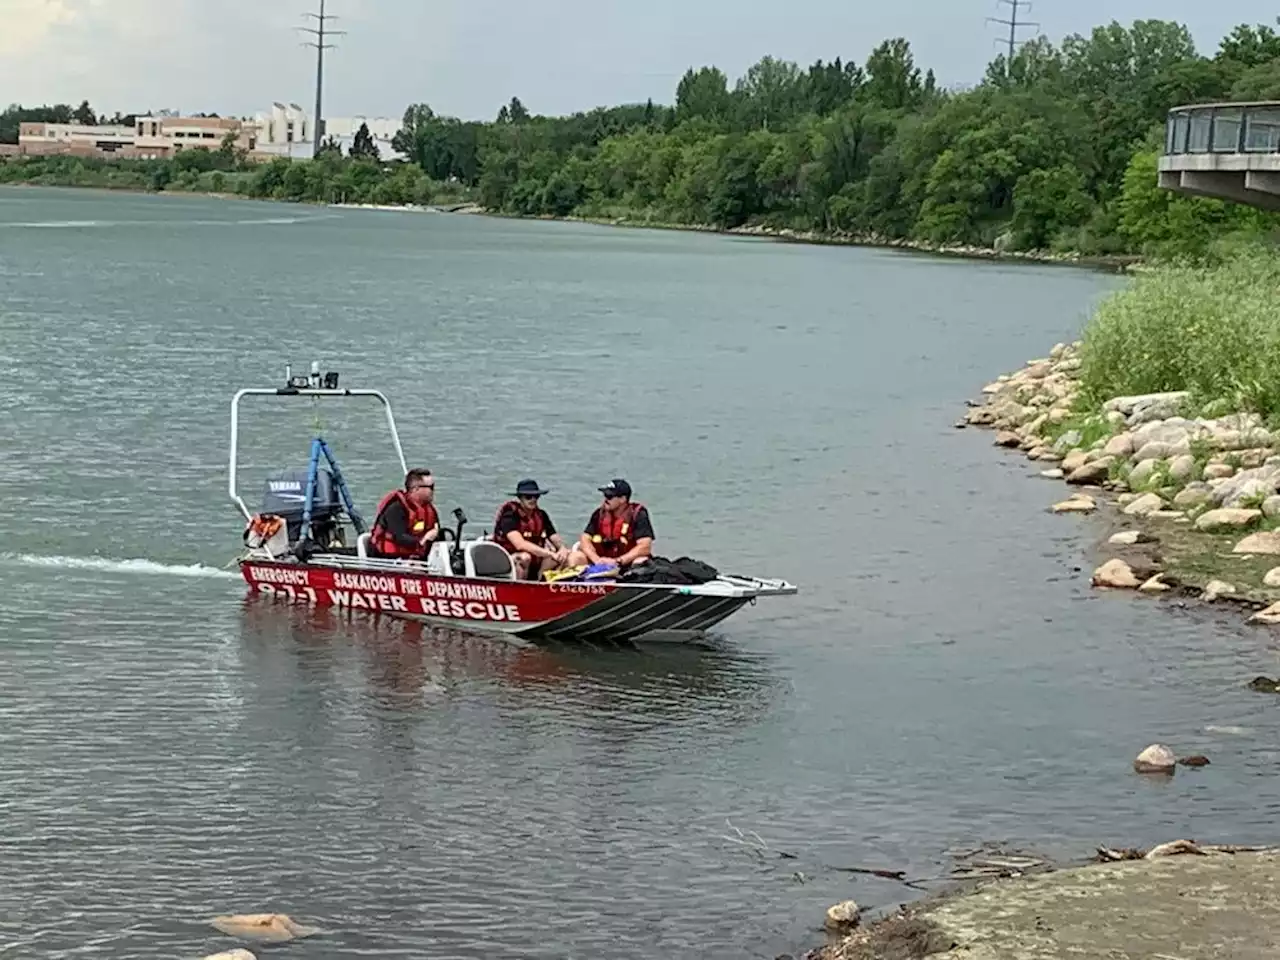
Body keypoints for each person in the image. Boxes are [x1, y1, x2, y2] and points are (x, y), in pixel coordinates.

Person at [568, 478, 654, 570]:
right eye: (605, 495)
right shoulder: (599, 514)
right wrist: (597, 560)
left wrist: (618, 561)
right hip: (600, 562)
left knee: (641, 561)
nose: (605, 500)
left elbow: (645, 547)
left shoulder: (637, 515)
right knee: (575, 557)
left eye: (609, 496)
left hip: (625, 562)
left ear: (622, 499)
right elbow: (585, 539)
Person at [492, 478, 570, 580]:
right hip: (509, 558)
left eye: (536, 496)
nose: (533, 500)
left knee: (564, 556)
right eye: (528, 497)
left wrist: (562, 549)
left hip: (536, 559)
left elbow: (554, 538)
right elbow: (520, 544)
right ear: (520, 498)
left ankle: (541, 582)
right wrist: (550, 553)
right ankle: (519, 588)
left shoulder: (542, 515)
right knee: (524, 557)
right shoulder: (510, 515)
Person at [368, 468, 440, 559]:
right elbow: (399, 537)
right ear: (416, 489)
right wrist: (424, 539)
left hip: (417, 558)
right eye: (431, 487)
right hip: (389, 558)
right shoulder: (396, 509)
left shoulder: (430, 510)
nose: (433, 491)